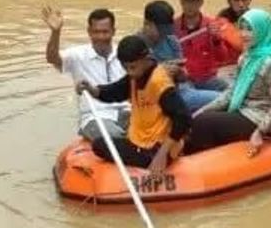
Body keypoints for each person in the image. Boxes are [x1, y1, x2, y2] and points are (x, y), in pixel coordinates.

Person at [76, 36, 192, 177]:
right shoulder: (136, 75)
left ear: (146, 59)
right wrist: (91, 89)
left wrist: (162, 154)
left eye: (132, 67)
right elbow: (115, 91)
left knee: (99, 145)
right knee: (105, 142)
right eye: (126, 68)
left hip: (157, 148)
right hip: (142, 140)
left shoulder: (159, 82)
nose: (130, 72)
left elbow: (184, 118)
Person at [189, 9, 271, 156]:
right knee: (199, 117)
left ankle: (201, 164)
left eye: (250, 29)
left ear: (262, 30)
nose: (243, 34)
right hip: (243, 108)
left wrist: (260, 132)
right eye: (242, 28)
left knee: (203, 123)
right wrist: (204, 109)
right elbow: (232, 91)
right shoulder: (247, 57)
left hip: (259, 117)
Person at [43, 6, 129, 141]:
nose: (101, 37)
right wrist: (55, 32)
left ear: (113, 32)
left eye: (105, 32)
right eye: (96, 32)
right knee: (115, 138)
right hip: (96, 117)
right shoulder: (77, 55)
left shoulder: (125, 53)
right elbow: (52, 58)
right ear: (89, 32)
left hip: (126, 113)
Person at [142, 0, 221, 113]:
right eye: (160, 29)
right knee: (219, 99)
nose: (164, 33)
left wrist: (179, 72)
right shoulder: (136, 44)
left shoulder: (172, 40)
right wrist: (161, 70)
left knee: (224, 97)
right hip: (159, 96)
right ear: (147, 24)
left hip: (182, 89)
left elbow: (184, 76)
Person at [175, 0, 239, 91]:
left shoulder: (212, 24)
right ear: (181, 2)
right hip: (184, 81)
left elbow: (222, 58)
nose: (190, 5)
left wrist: (216, 40)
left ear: (201, 3)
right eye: (187, 0)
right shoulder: (173, 26)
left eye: (194, 1)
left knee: (232, 92)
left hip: (207, 79)